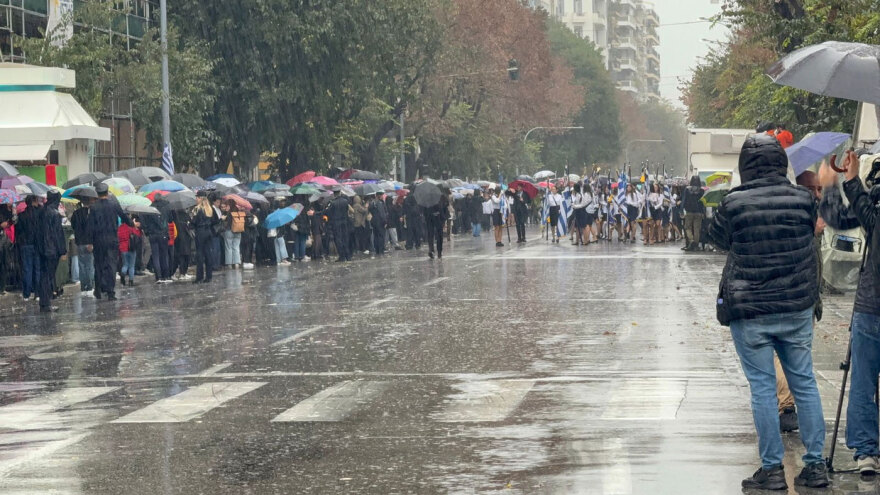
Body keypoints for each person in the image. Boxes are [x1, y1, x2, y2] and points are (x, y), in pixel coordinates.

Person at [708, 134, 827, 490]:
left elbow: (717, 238)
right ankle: (816, 465)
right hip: (796, 307)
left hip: (750, 310)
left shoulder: (734, 202)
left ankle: (772, 469)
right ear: (781, 163)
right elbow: (811, 232)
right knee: (804, 382)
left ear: (745, 166)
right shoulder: (804, 200)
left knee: (762, 389)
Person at [818, 150, 880, 475]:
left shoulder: (873, 200)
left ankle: (866, 451)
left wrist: (843, 183)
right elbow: (847, 218)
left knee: (863, 381)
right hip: (871, 305)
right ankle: (867, 451)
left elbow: (850, 219)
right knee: (862, 380)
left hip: (872, 303)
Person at [86, 184, 132, 301]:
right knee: (111, 265)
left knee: (99, 265)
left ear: (97, 193)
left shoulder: (94, 207)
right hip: (112, 239)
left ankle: (98, 289)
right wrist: (133, 224)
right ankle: (110, 292)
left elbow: (90, 226)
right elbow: (124, 216)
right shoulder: (113, 205)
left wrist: (90, 242)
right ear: (107, 192)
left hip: (98, 240)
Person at [35, 191, 66, 312]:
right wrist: (62, 250)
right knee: (49, 276)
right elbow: (58, 235)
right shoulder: (54, 214)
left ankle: (44, 302)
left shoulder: (41, 211)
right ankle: (46, 302)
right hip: (52, 250)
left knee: (44, 275)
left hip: (42, 249)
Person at [141, 195, 172, 284]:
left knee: (155, 256)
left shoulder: (150, 208)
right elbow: (170, 220)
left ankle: (158, 276)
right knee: (164, 255)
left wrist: (147, 231)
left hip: (153, 235)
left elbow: (144, 222)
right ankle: (166, 275)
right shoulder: (166, 207)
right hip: (163, 234)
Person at [16, 195, 41, 301]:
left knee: (27, 269)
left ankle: (26, 294)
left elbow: (18, 231)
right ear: (34, 201)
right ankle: (38, 293)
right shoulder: (39, 214)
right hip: (37, 244)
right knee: (37, 269)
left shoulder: (21, 216)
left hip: (25, 245)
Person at [191, 191, 219, 283]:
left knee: (200, 255)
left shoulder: (197, 209)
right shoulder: (210, 209)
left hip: (200, 232)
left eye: (197, 197)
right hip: (209, 232)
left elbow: (193, 222)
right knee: (208, 254)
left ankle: (199, 277)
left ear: (200, 198)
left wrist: (190, 222)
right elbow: (215, 221)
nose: (196, 199)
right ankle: (209, 276)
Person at [70, 198, 95, 296]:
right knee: (89, 266)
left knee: (82, 265)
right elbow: (92, 229)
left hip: (79, 242)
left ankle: (83, 286)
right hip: (88, 243)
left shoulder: (76, 213)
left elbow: (73, 226)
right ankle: (89, 286)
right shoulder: (90, 214)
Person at [327, 190, 353, 262]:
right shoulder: (345, 201)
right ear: (340, 193)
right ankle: (348, 256)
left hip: (336, 223)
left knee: (338, 240)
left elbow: (328, 212)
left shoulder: (332, 202)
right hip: (344, 222)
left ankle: (342, 256)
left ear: (334, 194)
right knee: (345, 239)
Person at [118, 216, 142, 287]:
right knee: (131, 265)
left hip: (123, 249)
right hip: (132, 249)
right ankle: (131, 281)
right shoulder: (131, 228)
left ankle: (122, 275)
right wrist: (135, 225)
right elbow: (138, 235)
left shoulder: (120, 228)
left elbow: (118, 237)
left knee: (125, 264)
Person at [683, 176, 705, 251]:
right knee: (697, 229)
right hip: (699, 212)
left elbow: (684, 200)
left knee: (687, 227)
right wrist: (703, 212)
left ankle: (691, 240)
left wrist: (682, 209)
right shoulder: (702, 190)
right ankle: (696, 245)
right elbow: (703, 202)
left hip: (689, 211)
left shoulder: (687, 189)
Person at [424, 194, 448, 259]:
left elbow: (424, 212)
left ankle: (431, 250)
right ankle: (438, 252)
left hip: (430, 220)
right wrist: (443, 219)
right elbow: (443, 210)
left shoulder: (426, 200)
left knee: (431, 235)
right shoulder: (441, 199)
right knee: (439, 236)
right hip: (438, 219)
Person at [172, 210, 194, 280]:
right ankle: (183, 273)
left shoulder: (174, 214)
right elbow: (190, 225)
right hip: (184, 237)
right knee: (184, 256)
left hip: (178, 237)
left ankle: (181, 273)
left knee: (180, 256)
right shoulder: (184, 215)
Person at [223, 199, 245, 268]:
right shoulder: (238, 213)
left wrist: (223, 219)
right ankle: (236, 264)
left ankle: (229, 264)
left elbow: (226, 224)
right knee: (236, 247)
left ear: (229, 206)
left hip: (229, 231)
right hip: (238, 231)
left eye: (226, 206)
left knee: (228, 248)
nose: (225, 207)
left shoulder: (228, 214)